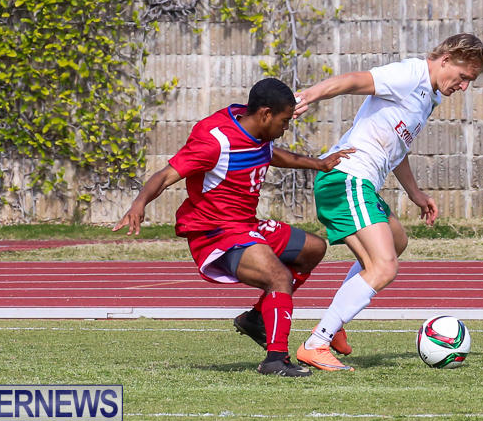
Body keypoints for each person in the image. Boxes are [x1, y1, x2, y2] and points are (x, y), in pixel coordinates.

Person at [113, 78, 353, 377]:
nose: (286, 128)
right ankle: (275, 360)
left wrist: (318, 164)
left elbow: (269, 153)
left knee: (313, 248)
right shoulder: (215, 141)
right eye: (284, 121)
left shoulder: (256, 128)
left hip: (245, 225)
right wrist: (139, 204)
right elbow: (165, 175)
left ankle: (256, 318)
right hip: (216, 232)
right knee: (278, 277)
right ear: (265, 114)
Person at [290, 33, 483, 371]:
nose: (464, 86)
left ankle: (336, 321)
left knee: (397, 241)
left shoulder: (429, 97)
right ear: (446, 59)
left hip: (359, 181)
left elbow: (396, 147)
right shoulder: (410, 74)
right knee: (383, 267)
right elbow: (353, 80)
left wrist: (416, 194)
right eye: (463, 76)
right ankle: (317, 342)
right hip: (346, 177)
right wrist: (308, 95)